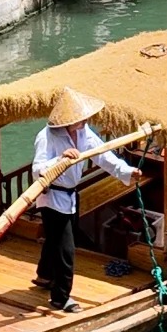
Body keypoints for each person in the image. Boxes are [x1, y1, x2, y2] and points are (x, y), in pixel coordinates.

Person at [31, 87, 144, 313]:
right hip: (53, 197)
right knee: (66, 249)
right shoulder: (47, 137)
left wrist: (126, 171)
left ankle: (44, 275)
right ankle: (60, 298)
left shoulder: (83, 132)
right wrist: (61, 159)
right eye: (80, 119)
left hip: (71, 195)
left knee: (56, 240)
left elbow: (103, 154)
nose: (84, 121)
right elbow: (37, 170)